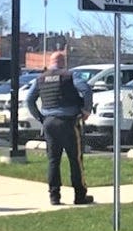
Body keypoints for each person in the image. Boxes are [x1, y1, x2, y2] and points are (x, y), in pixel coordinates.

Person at [27, 51, 94, 206]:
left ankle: (54, 197)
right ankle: (79, 196)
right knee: (75, 160)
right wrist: (86, 110)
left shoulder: (40, 78)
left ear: (51, 62)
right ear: (63, 61)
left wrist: (40, 118)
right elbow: (86, 89)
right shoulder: (69, 76)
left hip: (49, 123)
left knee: (53, 160)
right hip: (68, 122)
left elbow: (29, 100)